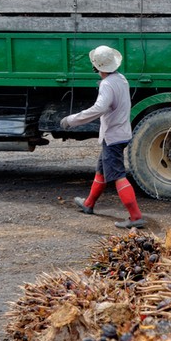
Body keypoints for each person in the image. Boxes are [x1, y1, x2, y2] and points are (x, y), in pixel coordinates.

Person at [60, 45, 146, 229]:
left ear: (96, 67)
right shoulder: (121, 79)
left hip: (113, 136)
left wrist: (71, 120)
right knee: (101, 170)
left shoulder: (107, 85)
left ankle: (135, 216)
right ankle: (89, 204)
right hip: (121, 133)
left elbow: (99, 109)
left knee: (118, 176)